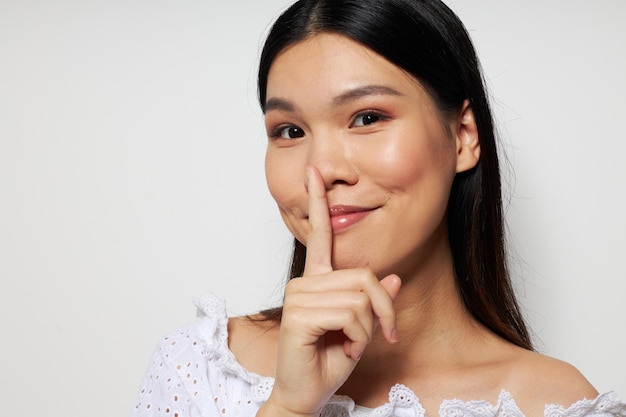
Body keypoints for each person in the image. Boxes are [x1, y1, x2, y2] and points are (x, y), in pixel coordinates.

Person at [130, 0, 626, 416]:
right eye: (290, 131)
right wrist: (288, 406)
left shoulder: (554, 405)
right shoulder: (201, 368)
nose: (321, 169)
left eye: (367, 117)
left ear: (462, 136)